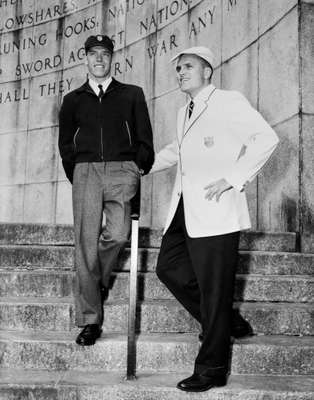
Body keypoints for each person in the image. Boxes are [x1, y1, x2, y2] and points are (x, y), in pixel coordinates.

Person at [150, 46, 279, 392]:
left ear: (207, 71)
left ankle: (212, 370)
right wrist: (141, 164)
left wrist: (234, 179)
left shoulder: (227, 101)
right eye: (178, 69)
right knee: (168, 267)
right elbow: (175, 152)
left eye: (188, 66)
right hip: (184, 209)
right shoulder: (183, 113)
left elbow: (267, 138)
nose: (180, 72)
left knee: (214, 289)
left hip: (216, 211)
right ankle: (229, 320)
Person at [58, 35, 154, 346]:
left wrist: (137, 165)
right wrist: (77, 169)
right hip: (86, 172)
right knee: (85, 244)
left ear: (112, 58)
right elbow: (65, 144)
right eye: (93, 54)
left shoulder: (131, 94)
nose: (99, 59)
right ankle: (90, 320)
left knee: (118, 234)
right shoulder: (73, 99)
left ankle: (96, 280)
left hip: (122, 170)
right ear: (84, 58)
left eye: (104, 54)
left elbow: (145, 137)